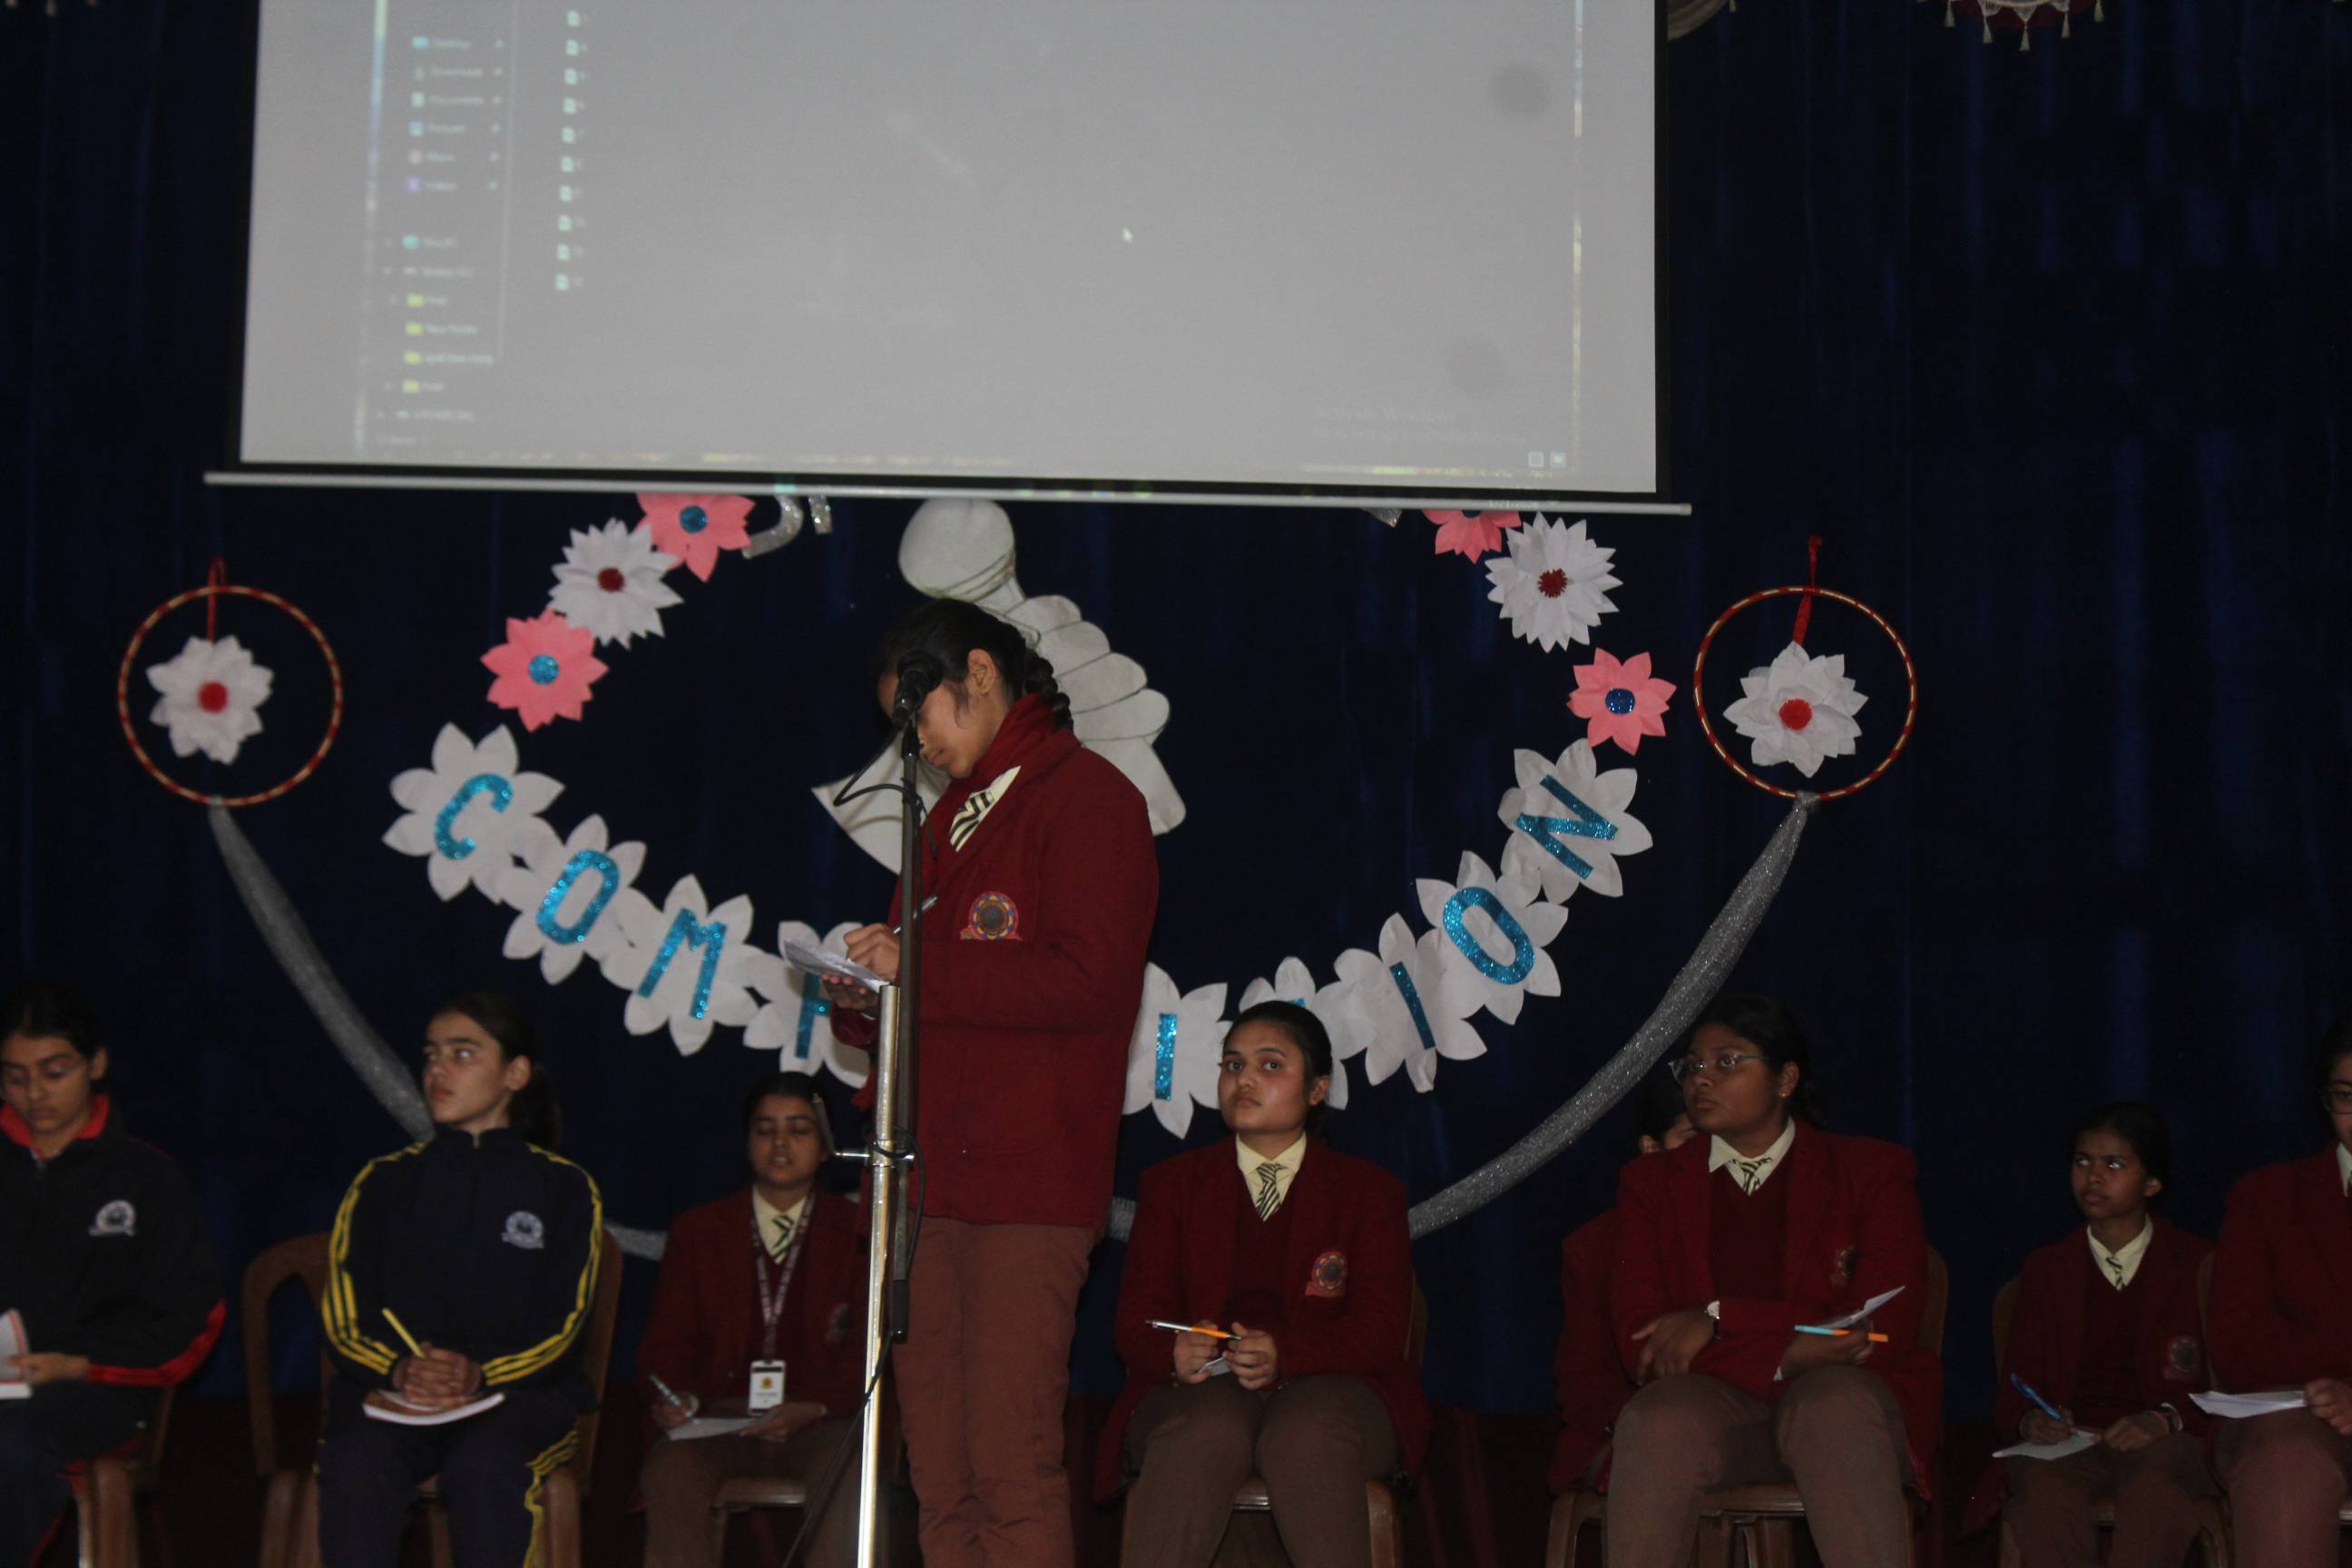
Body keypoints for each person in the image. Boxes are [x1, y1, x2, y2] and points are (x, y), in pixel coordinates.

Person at [828, 598, 1158, 1568]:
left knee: (1008, 1465)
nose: (917, 743)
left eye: (918, 713)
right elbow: (930, 996)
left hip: (1026, 1184)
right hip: (929, 1180)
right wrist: (865, 998)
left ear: (979, 672)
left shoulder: (1089, 798)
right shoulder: (945, 820)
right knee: (941, 1473)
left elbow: (1088, 983)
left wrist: (918, 968)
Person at [1604, 995, 1940, 1568]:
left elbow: (1878, 1326)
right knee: (1658, 1418)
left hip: (1837, 1399)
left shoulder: (1870, 1172)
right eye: (1692, 1065)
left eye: (1727, 1061)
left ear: (1785, 1080)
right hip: (1715, 1406)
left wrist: (1717, 1318)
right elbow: (1645, 1341)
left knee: (1835, 1405)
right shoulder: (1651, 1184)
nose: (1701, 1078)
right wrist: (1787, 1355)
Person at [1101, 1002, 1428, 1568]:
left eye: (1270, 1065)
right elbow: (1136, 1321)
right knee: (1205, 1429)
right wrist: (1173, 1350)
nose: (1244, 1080)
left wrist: (1287, 1354)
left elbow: (1379, 1331)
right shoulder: (1173, 1186)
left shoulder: (1368, 1192)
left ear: (1317, 1089)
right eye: (1233, 1065)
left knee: (1307, 1432)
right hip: (1202, 1392)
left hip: (1335, 1388)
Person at [314, 993, 604, 1568]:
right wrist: (399, 1369)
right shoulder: (382, 1182)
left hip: (515, 1398)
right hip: (397, 1396)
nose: (437, 1071)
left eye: (462, 1053)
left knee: (485, 1467)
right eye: (430, 1055)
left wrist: (480, 1373)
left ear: (515, 1074)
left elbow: (566, 1326)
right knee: (356, 1463)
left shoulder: (564, 1189)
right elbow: (345, 1316)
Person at [0, 981, 223, 1567]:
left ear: (96, 1064)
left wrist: (81, 1364)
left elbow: (191, 1318)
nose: (34, 1094)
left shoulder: (144, 1178)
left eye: (54, 1072)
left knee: (12, 1443)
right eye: (15, 1077)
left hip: (94, 1390)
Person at [635, 1072, 867, 1568]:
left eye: (799, 1130)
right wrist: (675, 1399)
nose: (780, 1144)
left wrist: (814, 1406)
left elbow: (868, 1351)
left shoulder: (857, 1232)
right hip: (721, 1419)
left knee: (852, 1466)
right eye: (765, 1130)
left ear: (825, 1148)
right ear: (747, 1144)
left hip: (819, 1419)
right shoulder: (700, 1230)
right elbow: (666, 1340)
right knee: (670, 1470)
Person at [1968, 1102, 2214, 1566]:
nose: (2093, 1177)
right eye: (2082, 1161)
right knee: (2044, 1494)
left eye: (2114, 1164)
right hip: (2072, 1441)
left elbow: (2226, 1384)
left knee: (2155, 1490)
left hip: (2166, 1439)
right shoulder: (2048, 1269)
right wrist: (2031, 1419)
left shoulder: (2197, 1265)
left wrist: (2165, 1418)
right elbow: (2017, 1386)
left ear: (2152, 1183)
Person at [2207, 1012, 2352, 1568]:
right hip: (2302, 1419)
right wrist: (2339, 1388)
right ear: (2325, 1102)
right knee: (2287, 1459)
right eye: (2346, 1096)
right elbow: (2240, 1347)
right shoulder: (2268, 1198)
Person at [1550, 1075, 1695, 1496]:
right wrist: (1639, 1421)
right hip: (1626, 1427)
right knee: (1660, 1453)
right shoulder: (1597, 1244)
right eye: (1692, 1138)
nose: (1710, 1154)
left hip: (1728, 1423)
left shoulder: (1745, 1226)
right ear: (1651, 1148)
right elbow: (1581, 1379)